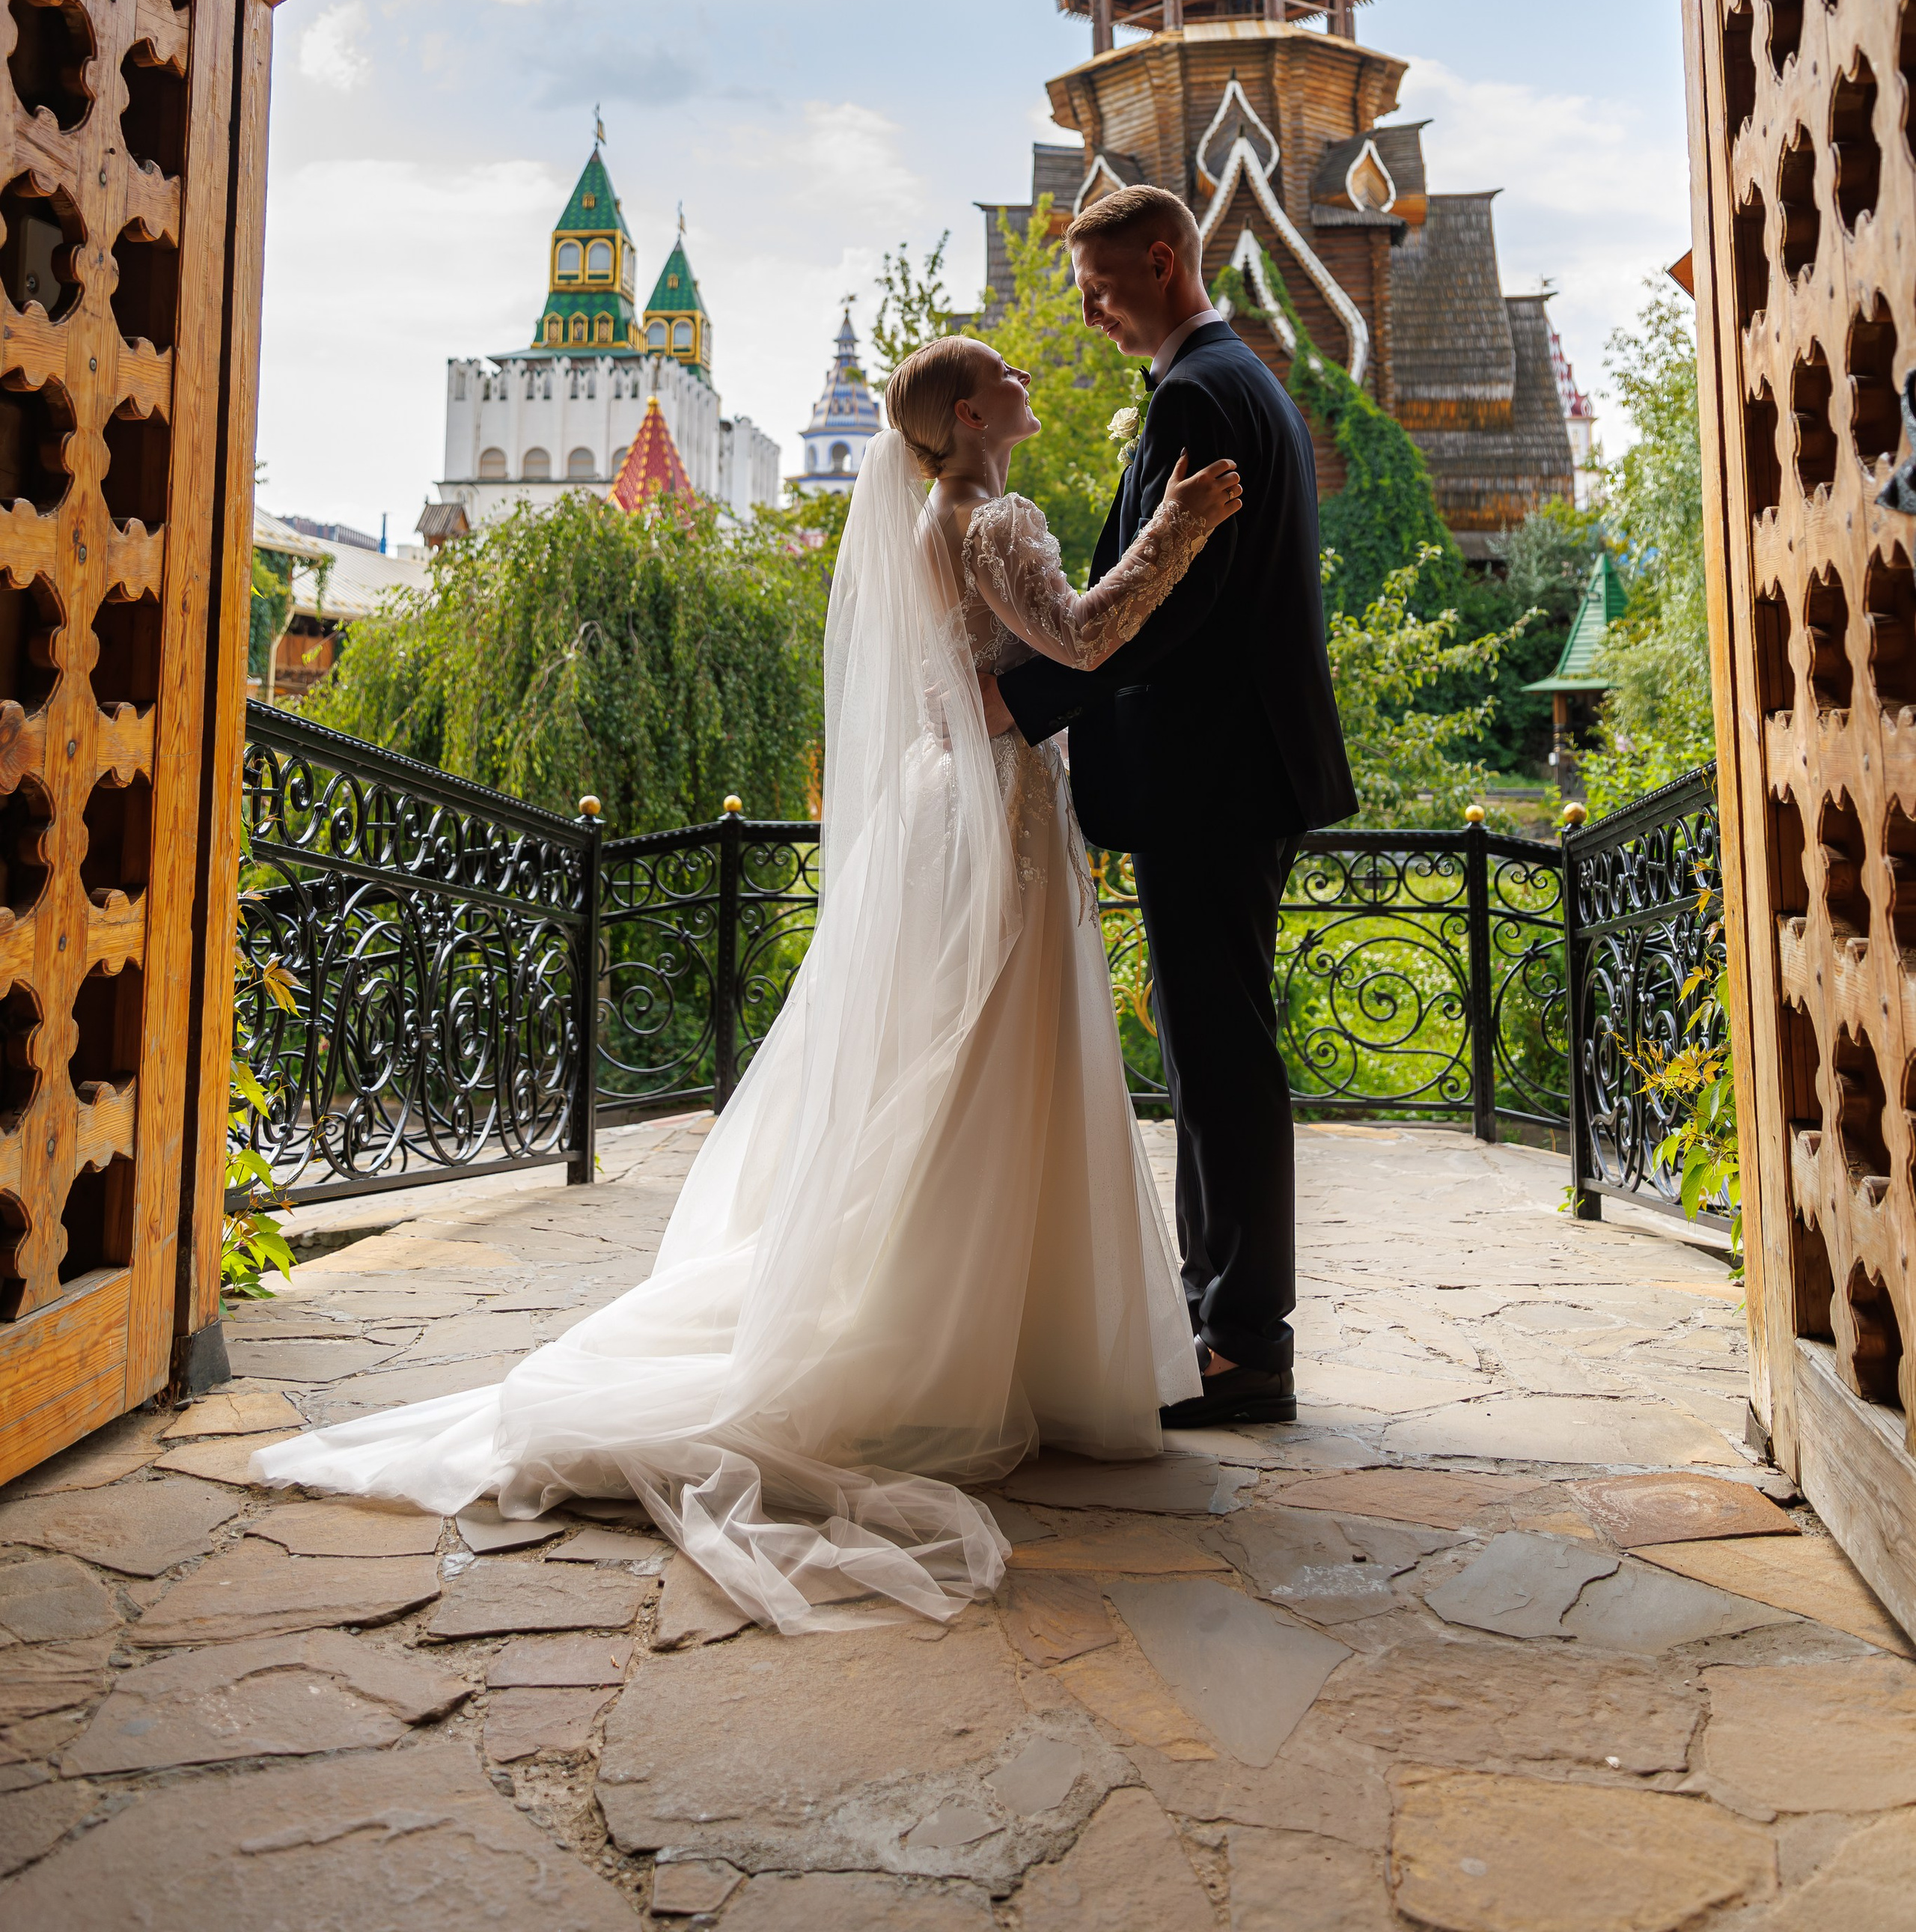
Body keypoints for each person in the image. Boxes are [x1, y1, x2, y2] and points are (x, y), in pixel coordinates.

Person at [252, 337, 1242, 1632]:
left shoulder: (939, 516)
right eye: (1004, 375)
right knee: (989, 1059)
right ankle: (970, 1349)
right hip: (993, 808)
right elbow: (1087, 637)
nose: (1022, 383)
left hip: (959, 801)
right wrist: (1173, 531)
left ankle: (982, 1337)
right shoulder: (991, 515)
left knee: (969, 1059)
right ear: (964, 413)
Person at [989, 184, 1355, 1427]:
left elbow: (1178, 602)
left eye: (1096, 289)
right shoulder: (1238, 380)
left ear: (1159, 261)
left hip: (1215, 773)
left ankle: (1247, 1343)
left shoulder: (1202, 393)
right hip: (1230, 772)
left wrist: (1023, 701)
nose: (1088, 314)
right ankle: (1218, 1321)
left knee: (1223, 1053)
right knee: (1208, 1048)